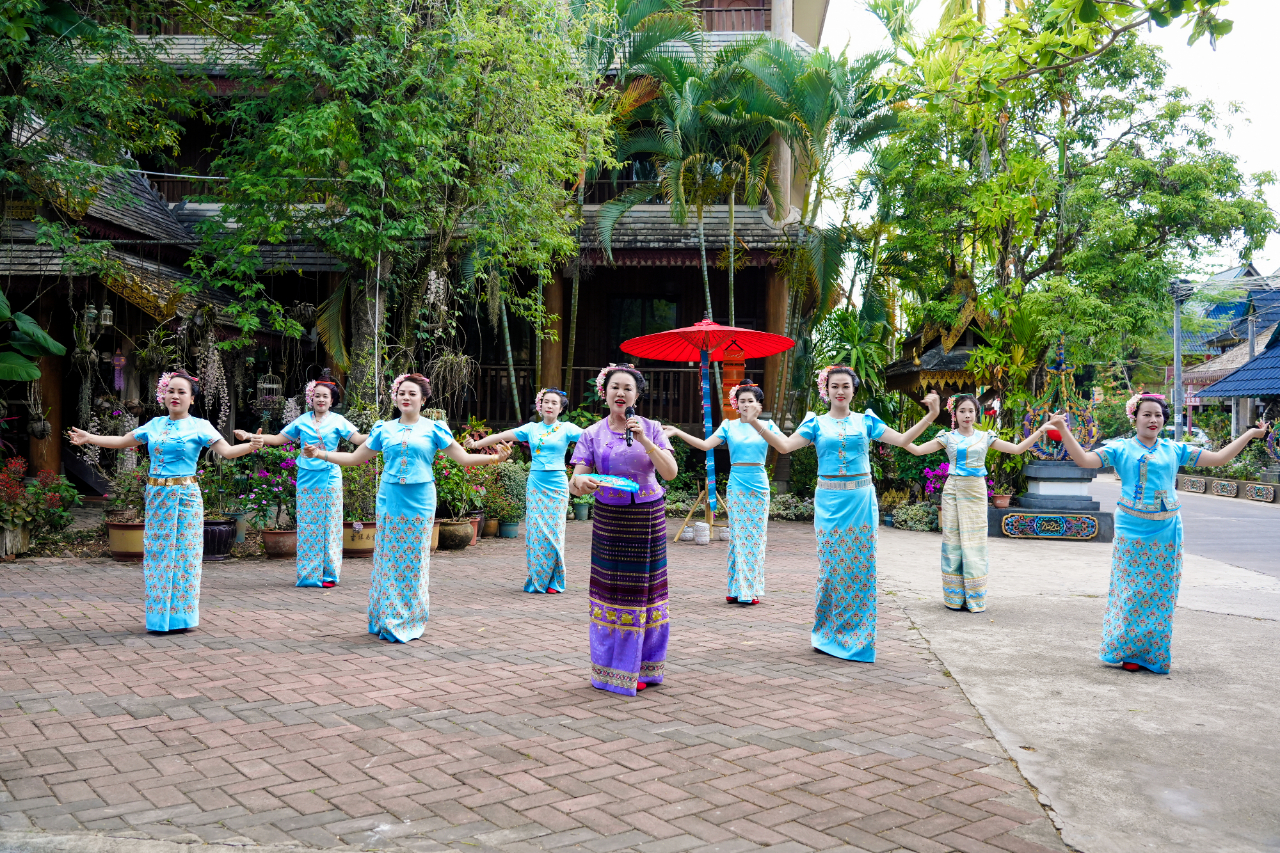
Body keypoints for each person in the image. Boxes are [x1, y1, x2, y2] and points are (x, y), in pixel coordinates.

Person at [1046, 396, 1270, 674]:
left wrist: (1250, 434)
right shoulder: (1120, 448)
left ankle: (1152, 655)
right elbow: (1084, 460)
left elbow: (1219, 458)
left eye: (1158, 415)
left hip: (1168, 528)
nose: (1153, 420)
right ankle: (1127, 651)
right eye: (1147, 414)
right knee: (1132, 591)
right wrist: (1062, 429)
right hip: (1131, 527)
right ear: (1134, 418)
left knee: (1161, 593)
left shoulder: (1175, 449)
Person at [747, 366, 940, 661]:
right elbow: (784, 446)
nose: (840, 391)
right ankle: (827, 633)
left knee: (861, 568)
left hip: (861, 500)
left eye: (845, 386)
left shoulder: (866, 421)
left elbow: (903, 441)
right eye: (834, 386)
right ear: (826, 390)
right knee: (832, 568)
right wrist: (754, 422)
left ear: (853, 390)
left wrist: (931, 416)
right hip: (829, 501)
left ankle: (858, 639)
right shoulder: (815, 423)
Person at [303, 373, 511, 642]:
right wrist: (320, 454)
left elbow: (462, 459)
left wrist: (496, 459)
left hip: (421, 500)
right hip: (390, 498)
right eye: (402, 393)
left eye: (412, 394)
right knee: (388, 558)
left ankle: (409, 618)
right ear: (395, 397)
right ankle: (387, 617)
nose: (406, 397)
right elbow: (355, 458)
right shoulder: (383, 429)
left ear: (423, 400)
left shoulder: (435, 428)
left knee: (414, 559)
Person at [68, 370, 264, 632]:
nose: (175, 396)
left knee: (185, 554)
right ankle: (158, 619)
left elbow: (227, 452)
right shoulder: (155, 425)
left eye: (182, 392)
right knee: (157, 554)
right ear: (164, 395)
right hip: (157, 497)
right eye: (171, 391)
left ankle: (182, 618)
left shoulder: (200, 426)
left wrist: (252, 445)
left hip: (185, 496)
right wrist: (89, 438)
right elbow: (123, 441)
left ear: (192, 398)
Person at [569, 363, 678, 695]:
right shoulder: (592, 434)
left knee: (646, 591)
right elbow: (575, 482)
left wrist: (644, 439)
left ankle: (645, 666)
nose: (621, 393)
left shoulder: (652, 428)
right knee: (611, 590)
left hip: (647, 517)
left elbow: (670, 473)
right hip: (609, 519)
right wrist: (581, 483)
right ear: (604, 393)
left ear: (637, 395)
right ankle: (612, 669)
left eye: (627, 388)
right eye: (615, 387)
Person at [901, 394, 1046, 612]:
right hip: (953, 491)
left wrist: (1042, 430)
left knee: (975, 541)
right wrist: (901, 437)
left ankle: (975, 598)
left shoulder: (986, 437)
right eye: (962, 411)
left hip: (976, 491)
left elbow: (1017, 449)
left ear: (976, 413)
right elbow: (917, 450)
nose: (967, 415)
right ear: (955, 414)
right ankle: (954, 598)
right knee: (952, 540)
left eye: (970, 411)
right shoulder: (947, 438)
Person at [235, 378, 367, 588]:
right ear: (311, 399)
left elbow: (358, 440)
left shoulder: (339, 421)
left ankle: (329, 575)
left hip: (330, 475)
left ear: (332, 400)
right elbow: (278, 439)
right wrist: (251, 435)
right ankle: (308, 575)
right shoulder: (302, 420)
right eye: (317, 396)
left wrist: (383, 434)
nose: (321, 399)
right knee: (307, 524)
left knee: (330, 524)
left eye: (325, 396)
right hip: (306, 476)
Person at [663, 382, 779, 605]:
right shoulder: (729, 425)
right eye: (742, 401)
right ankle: (736, 589)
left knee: (755, 538)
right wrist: (677, 431)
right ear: (736, 404)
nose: (746, 405)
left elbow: (785, 445)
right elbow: (705, 445)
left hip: (759, 484)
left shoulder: (768, 425)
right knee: (738, 536)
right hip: (737, 484)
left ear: (758, 404)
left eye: (750, 401)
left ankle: (750, 590)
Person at [467, 388, 582, 594]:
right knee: (536, 532)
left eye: (554, 403)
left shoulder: (567, 428)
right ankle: (537, 579)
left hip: (557, 485)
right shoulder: (531, 428)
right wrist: (476, 444)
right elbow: (500, 435)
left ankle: (554, 580)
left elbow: (592, 437)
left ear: (561, 408)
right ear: (540, 406)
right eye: (546, 402)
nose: (549, 406)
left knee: (555, 532)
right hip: (536, 483)